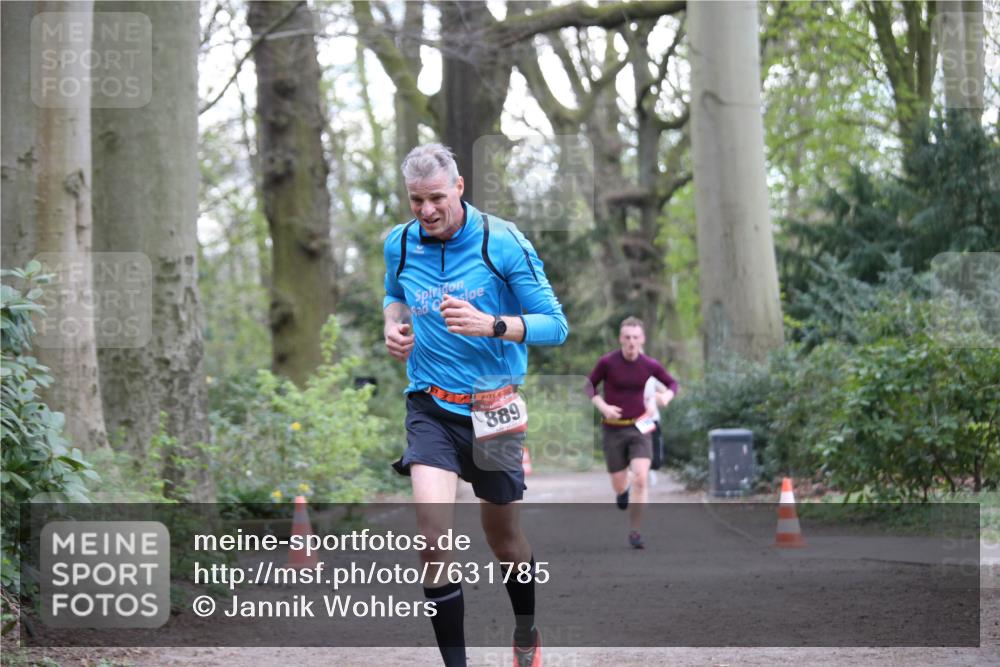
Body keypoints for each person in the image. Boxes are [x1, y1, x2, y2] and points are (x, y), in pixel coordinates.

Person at [383, 143, 568, 667]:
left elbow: (556, 325)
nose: (426, 211)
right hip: (430, 405)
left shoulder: (501, 241)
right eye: (416, 200)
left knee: (504, 539)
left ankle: (526, 630)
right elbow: (392, 294)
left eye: (436, 198)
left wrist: (492, 325)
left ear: (459, 187)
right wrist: (392, 328)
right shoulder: (398, 244)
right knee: (431, 534)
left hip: (494, 406)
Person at [586, 317, 678, 549]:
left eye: (635, 337)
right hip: (613, 430)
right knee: (619, 483)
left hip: (640, 428)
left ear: (642, 339)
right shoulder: (607, 362)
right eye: (627, 337)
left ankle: (635, 531)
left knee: (641, 477)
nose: (631, 342)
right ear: (620, 339)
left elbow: (672, 383)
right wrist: (604, 407)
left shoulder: (649, 364)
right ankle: (621, 490)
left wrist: (665, 397)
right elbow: (589, 385)